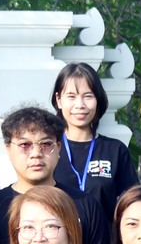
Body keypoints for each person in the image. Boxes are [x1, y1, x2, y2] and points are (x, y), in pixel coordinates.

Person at [0, 107, 111, 244]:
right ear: (8, 150)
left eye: (46, 144)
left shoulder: (85, 204)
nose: (36, 154)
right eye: (25, 145)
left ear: (59, 148)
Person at [51, 64, 134, 211]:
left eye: (88, 96)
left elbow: (132, 203)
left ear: (98, 99)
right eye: (71, 96)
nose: (80, 105)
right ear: (58, 100)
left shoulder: (115, 150)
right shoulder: (48, 149)